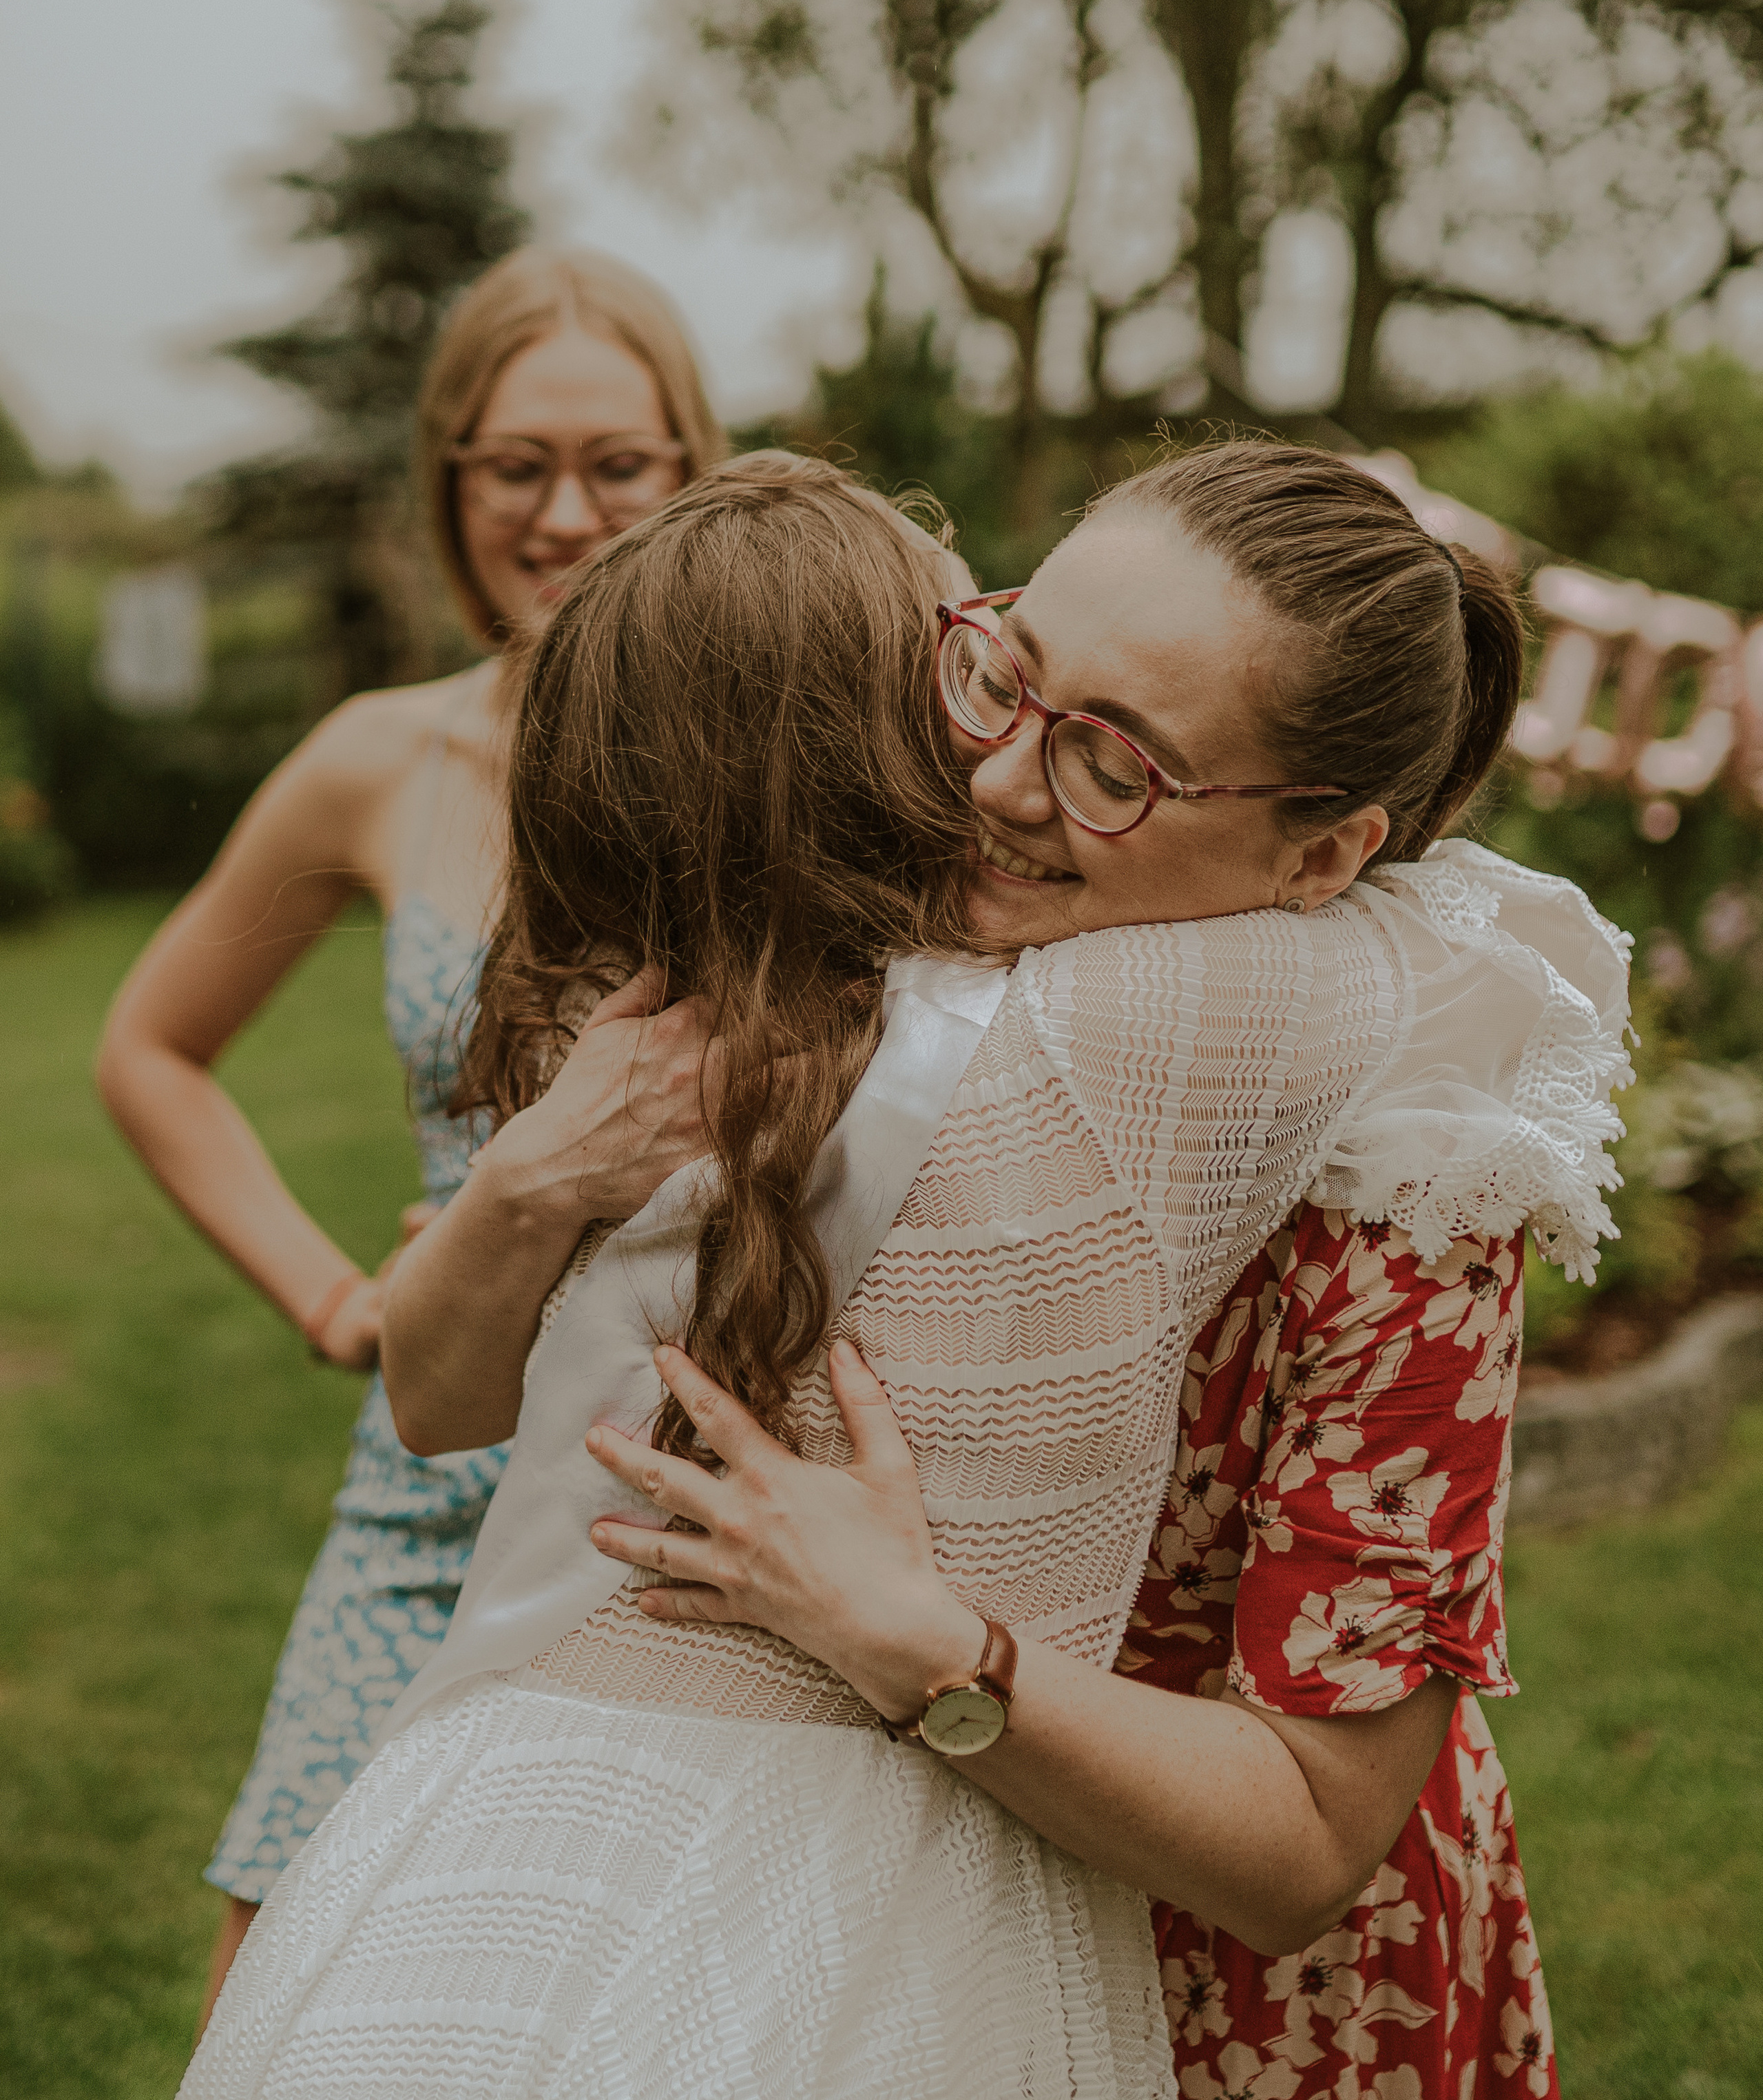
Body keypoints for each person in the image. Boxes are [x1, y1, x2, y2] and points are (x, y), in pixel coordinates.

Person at [185, 446, 1628, 2100]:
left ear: (1322, 859)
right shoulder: (844, 924)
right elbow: (447, 1400)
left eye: (1110, 762)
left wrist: (911, 1636)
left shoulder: (1410, 1162)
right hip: (798, 1908)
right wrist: (526, 1178)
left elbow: (1306, 1832)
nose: (998, 779)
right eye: (1001, 674)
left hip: (1233, 1979)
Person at [96, 245, 724, 2030]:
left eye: (620, 460)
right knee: (278, 1983)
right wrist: (326, 1294)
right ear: (452, 481)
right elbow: (151, 1045)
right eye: (516, 464)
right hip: (433, 1467)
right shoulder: (383, 759)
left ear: (694, 465)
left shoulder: (784, 743)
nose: (565, 509)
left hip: (689, 1461)